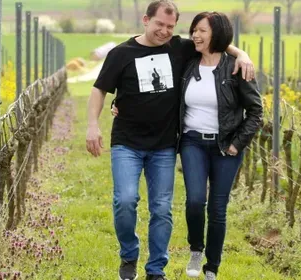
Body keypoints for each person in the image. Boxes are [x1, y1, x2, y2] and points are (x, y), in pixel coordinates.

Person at [85, 1, 256, 280]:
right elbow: (99, 90)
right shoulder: (121, 53)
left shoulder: (179, 47)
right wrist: (93, 125)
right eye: (159, 24)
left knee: (162, 209)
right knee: (125, 201)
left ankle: (156, 269)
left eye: (170, 26)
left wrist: (242, 53)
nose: (164, 31)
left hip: (164, 146)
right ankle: (129, 256)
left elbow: (216, 42)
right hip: (126, 142)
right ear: (145, 20)